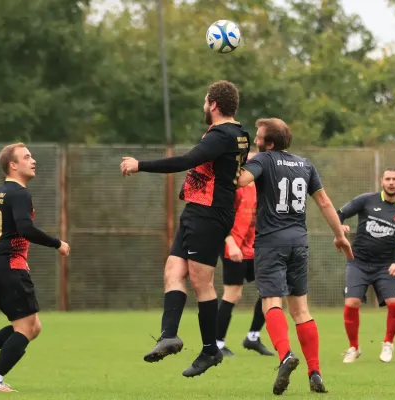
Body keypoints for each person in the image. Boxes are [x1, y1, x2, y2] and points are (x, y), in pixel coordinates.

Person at [120, 80, 250, 377]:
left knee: (201, 283)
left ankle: (209, 350)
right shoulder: (240, 133)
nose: (204, 106)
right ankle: (169, 335)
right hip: (197, 211)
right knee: (172, 272)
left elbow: (187, 160)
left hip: (208, 214)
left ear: (214, 105)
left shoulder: (223, 134)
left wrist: (140, 165)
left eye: (206, 101)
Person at [237, 118, 353, 395]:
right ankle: (315, 372)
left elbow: (241, 180)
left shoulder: (264, 160)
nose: (255, 140)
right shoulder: (305, 164)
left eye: (259, 137)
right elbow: (324, 202)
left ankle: (286, 355)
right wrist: (340, 235)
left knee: (271, 303)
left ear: (270, 143)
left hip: (270, 243)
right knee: (301, 310)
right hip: (299, 243)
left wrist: (233, 157)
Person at [0, 143, 70, 392]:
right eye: (26, 157)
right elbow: (25, 228)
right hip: (8, 268)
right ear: (13, 165)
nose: (32, 160)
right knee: (26, 328)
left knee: (32, 326)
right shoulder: (20, 193)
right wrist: (58, 244)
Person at [337, 167, 395, 364]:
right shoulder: (366, 200)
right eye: (388, 178)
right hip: (358, 263)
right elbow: (339, 213)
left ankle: (388, 343)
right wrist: (340, 228)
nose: (391, 182)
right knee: (351, 303)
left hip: (385, 266)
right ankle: (354, 347)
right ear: (381, 181)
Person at [216, 151, 274, 358]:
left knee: (270, 291)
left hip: (258, 247)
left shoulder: (265, 187)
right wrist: (230, 242)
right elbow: (219, 216)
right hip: (235, 246)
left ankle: (253, 336)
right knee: (233, 294)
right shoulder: (234, 186)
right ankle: (217, 343)